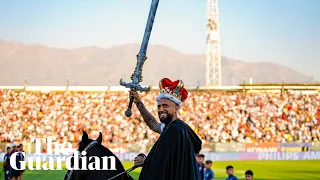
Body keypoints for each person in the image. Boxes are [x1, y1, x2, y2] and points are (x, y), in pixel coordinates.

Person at [131, 78, 202, 180]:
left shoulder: (175, 130)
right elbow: (153, 124)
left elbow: (162, 163)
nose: (161, 109)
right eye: (159, 106)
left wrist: (146, 162)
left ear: (176, 108)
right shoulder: (172, 127)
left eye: (165, 106)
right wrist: (139, 103)